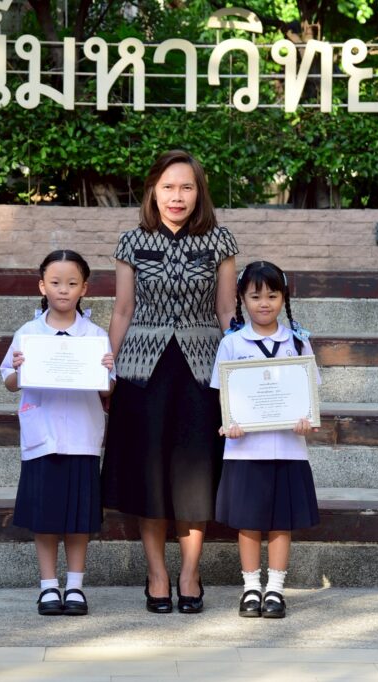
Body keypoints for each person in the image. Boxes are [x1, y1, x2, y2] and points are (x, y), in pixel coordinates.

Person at [101, 149, 238, 614]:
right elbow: (123, 311)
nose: (177, 197)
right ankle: (157, 574)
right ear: (153, 192)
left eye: (186, 187)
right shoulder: (131, 241)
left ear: (199, 193)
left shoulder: (220, 241)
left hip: (202, 371)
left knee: (194, 478)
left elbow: (226, 311)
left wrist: (239, 371)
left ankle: (190, 573)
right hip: (142, 371)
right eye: (168, 187)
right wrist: (107, 372)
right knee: (151, 478)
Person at [0, 249, 114, 617]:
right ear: (42, 286)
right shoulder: (28, 334)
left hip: (82, 439)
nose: (63, 290)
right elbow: (9, 380)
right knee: (45, 517)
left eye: (72, 283)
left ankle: (75, 586)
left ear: (84, 289)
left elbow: (108, 388)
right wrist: (20, 369)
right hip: (42, 439)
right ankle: (48, 585)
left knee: (79, 518)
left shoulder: (95, 336)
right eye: (55, 282)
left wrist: (106, 370)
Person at [211, 260, 321, 619]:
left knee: (280, 521)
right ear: (241, 299)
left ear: (283, 297)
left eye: (272, 296)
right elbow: (224, 395)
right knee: (249, 521)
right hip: (245, 450)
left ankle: (275, 589)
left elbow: (309, 394)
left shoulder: (298, 342)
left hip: (288, 448)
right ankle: (251, 588)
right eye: (255, 296)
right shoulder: (231, 343)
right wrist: (231, 422)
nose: (264, 303)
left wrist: (306, 420)